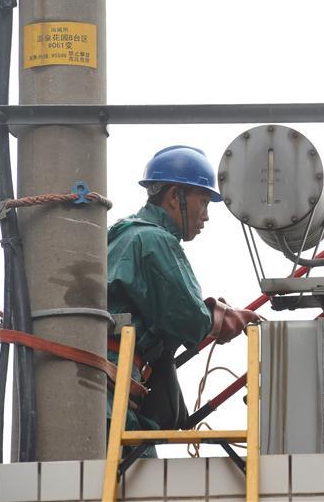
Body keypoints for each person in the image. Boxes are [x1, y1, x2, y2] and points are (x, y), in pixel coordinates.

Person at [106, 145, 257, 451]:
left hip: (105, 386)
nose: (206, 216)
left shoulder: (124, 234)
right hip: (111, 393)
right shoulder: (153, 240)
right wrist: (220, 316)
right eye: (202, 202)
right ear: (175, 197)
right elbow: (191, 321)